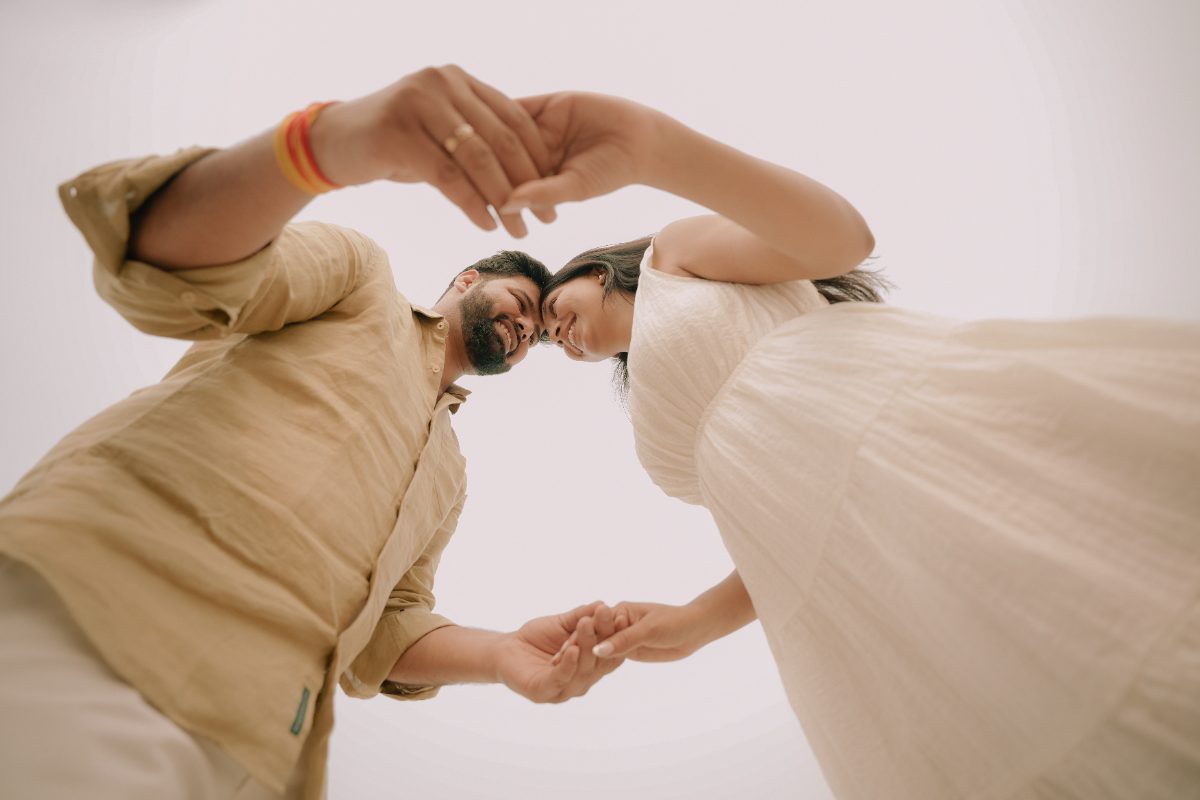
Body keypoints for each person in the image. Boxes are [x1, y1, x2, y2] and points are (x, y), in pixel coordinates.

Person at [516, 91, 1200, 799]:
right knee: (1004, 698)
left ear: (595, 271)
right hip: (852, 582)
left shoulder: (671, 258)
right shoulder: (653, 411)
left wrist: (657, 150)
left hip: (902, 432)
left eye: (553, 311)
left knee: (1088, 603)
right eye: (547, 342)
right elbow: (774, 524)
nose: (555, 335)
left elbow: (839, 240)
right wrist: (697, 621)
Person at [0, 66, 626, 800]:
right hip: (100, 610)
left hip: (254, 743)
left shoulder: (449, 479)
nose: (524, 329)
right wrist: (326, 144)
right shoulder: (362, 283)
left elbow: (389, 631)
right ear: (467, 279)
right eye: (519, 302)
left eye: (535, 337)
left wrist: (501, 654)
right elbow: (180, 265)